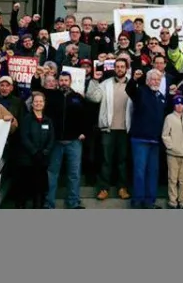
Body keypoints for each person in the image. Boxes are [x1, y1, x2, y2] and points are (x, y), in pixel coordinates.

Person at [41, 71, 91, 209]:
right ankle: (49, 203)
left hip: (74, 142)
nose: (63, 82)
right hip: (55, 142)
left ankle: (73, 202)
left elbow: (86, 116)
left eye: (66, 80)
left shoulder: (78, 97)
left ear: (70, 81)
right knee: (52, 173)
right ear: (58, 82)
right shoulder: (51, 96)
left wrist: (83, 132)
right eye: (61, 80)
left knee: (74, 174)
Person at [85, 57, 132, 202]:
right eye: (117, 66)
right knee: (106, 160)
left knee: (122, 161)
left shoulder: (132, 84)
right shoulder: (106, 84)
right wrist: (94, 80)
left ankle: (122, 188)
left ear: (126, 68)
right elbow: (92, 97)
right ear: (114, 68)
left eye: (122, 66)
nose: (119, 69)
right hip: (108, 129)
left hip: (125, 129)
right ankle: (104, 189)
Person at [126, 68, 170, 209]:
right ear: (147, 80)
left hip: (155, 141)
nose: (155, 81)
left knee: (153, 172)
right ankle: (138, 200)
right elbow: (130, 89)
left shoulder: (161, 97)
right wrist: (136, 78)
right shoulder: (140, 92)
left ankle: (150, 201)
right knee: (139, 171)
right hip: (140, 140)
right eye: (153, 79)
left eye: (158, 79)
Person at [18, 91, 55, 208]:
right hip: (28, 160)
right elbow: (24, 137)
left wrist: (45, 152)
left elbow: (51, 138)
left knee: (40, 189)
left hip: (42, 160)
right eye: (36, 101)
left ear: (44, 103)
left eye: (41, 101)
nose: (38, 103)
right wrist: (34, 152)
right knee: (25, 187)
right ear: (32, 104)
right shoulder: (27, 119)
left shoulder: (48, 120)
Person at [162, 94, 183, 209]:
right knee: (173, 178)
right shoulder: (169, 118)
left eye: (181, 104)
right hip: (173, 154)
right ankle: (173, 201)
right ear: (174, 105)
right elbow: (165, 135)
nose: (179, 106)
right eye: (177, 104)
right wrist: (171, 147)